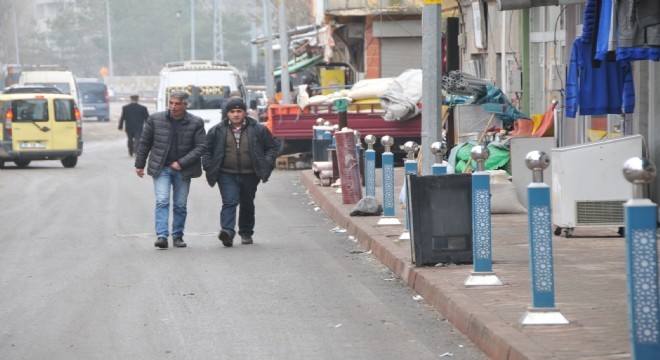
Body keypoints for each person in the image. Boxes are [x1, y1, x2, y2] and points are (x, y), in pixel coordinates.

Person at [202, 97, 279, 247]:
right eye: (232, 111)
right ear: (227, 113)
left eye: (239, 111)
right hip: (226, 173)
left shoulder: (258, 129)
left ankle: (246, 232)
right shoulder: (217, 130)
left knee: (247, 203)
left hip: (250, 174)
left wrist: (267, 164)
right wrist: (208, 165)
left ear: (245, 112)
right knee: (229, 201)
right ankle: (227, 232)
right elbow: (207, 150)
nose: (236, 114)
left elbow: (272, 148)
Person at [134, 91, 206, 249]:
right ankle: (162, 236)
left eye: (177, 104)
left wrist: (181, 163)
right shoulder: (155, 119)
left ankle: (178, 236)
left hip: (183, 170)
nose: (173, 107)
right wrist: (140, 164)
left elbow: (201, 146)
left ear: (185, 105)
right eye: (171, 103)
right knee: (162, 201)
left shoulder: (196, 122)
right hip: (161, 168)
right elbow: (145, 142)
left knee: (180, 204)